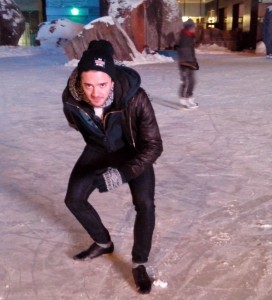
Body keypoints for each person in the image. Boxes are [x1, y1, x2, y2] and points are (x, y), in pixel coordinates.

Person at [62, 39, 163, 294]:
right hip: (98, 148)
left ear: (113, 79)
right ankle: (103, 242)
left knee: (145, 204)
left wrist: (122, 173)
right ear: (79, 81)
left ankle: (139, 261)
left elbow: (154, 146)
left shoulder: (135, 97)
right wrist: (101, 155)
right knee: (74, 199)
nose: (96, 93)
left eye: (102, 84)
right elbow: (81, 128)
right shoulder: (71, 100)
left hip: (134, 152)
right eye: (88, 85)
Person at [178, 18, 199, 109]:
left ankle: (189, 97)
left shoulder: (189, 36)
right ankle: (184, 98)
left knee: (192, 81)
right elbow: (183, 51)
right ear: (189, 28)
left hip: (190, 61)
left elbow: (191, 51)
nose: (195, 29)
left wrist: (194, 61)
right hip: (185, 62)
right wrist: (188, 62)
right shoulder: (184, 37)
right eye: (194, 27)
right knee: (187, 81)